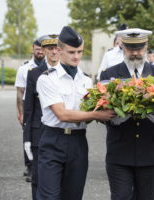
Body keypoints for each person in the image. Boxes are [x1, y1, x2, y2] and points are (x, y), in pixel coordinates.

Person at [36, 26, 115, 200]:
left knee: (73, 195)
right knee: (49, 196)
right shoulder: (47, 78)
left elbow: (88, 112)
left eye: (80, 51)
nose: (77, 56)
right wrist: (97, 115)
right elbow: (62, 114)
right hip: (53, 141)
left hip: (78, 141)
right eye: (72, 52)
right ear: (59, 50)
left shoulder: (86, 80)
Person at [100, 28, 154, 200]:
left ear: (146, 47)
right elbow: (104, 111)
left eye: (139, 48)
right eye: (130, 48)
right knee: (120, 196)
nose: (135, 53)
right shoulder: (109, 74)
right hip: (119, 150)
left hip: (149, 151)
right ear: (122, 46)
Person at [23, 34, 60, 199]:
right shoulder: (34, 73)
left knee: (60, 180)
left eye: (56, 48)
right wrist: (27, 138)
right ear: (43, 50)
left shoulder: (67, 72)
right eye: (49, 48)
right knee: (38, 179)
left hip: (60, 132)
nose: (53, 52)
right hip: (40, 134)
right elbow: (29, 109)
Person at [15, 39, 45, 181]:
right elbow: (20, 92)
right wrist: (21, 113)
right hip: (28, 105)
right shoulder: (24, 68)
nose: (39, 51)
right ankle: (30, 166)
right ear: (32, 49)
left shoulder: (52, 65)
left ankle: (41, 166)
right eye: (37, 49)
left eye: (41, 49)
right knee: (28, 135)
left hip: (43, 104)